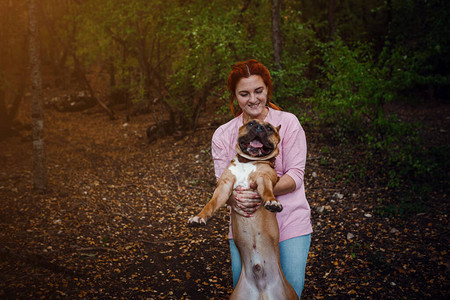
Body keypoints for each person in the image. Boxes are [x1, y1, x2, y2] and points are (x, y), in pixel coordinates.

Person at [211, 59, 312, 298]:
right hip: (246, 225)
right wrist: (235, 201)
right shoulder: (224, 134)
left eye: (259, 91)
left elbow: (295, 175)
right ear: (235, 96)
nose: (253, 99)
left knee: (286, 293)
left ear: (267, 89)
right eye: (244, 93)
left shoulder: (288, 123)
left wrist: (264, 192)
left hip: (290, 222)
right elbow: (223, 184)